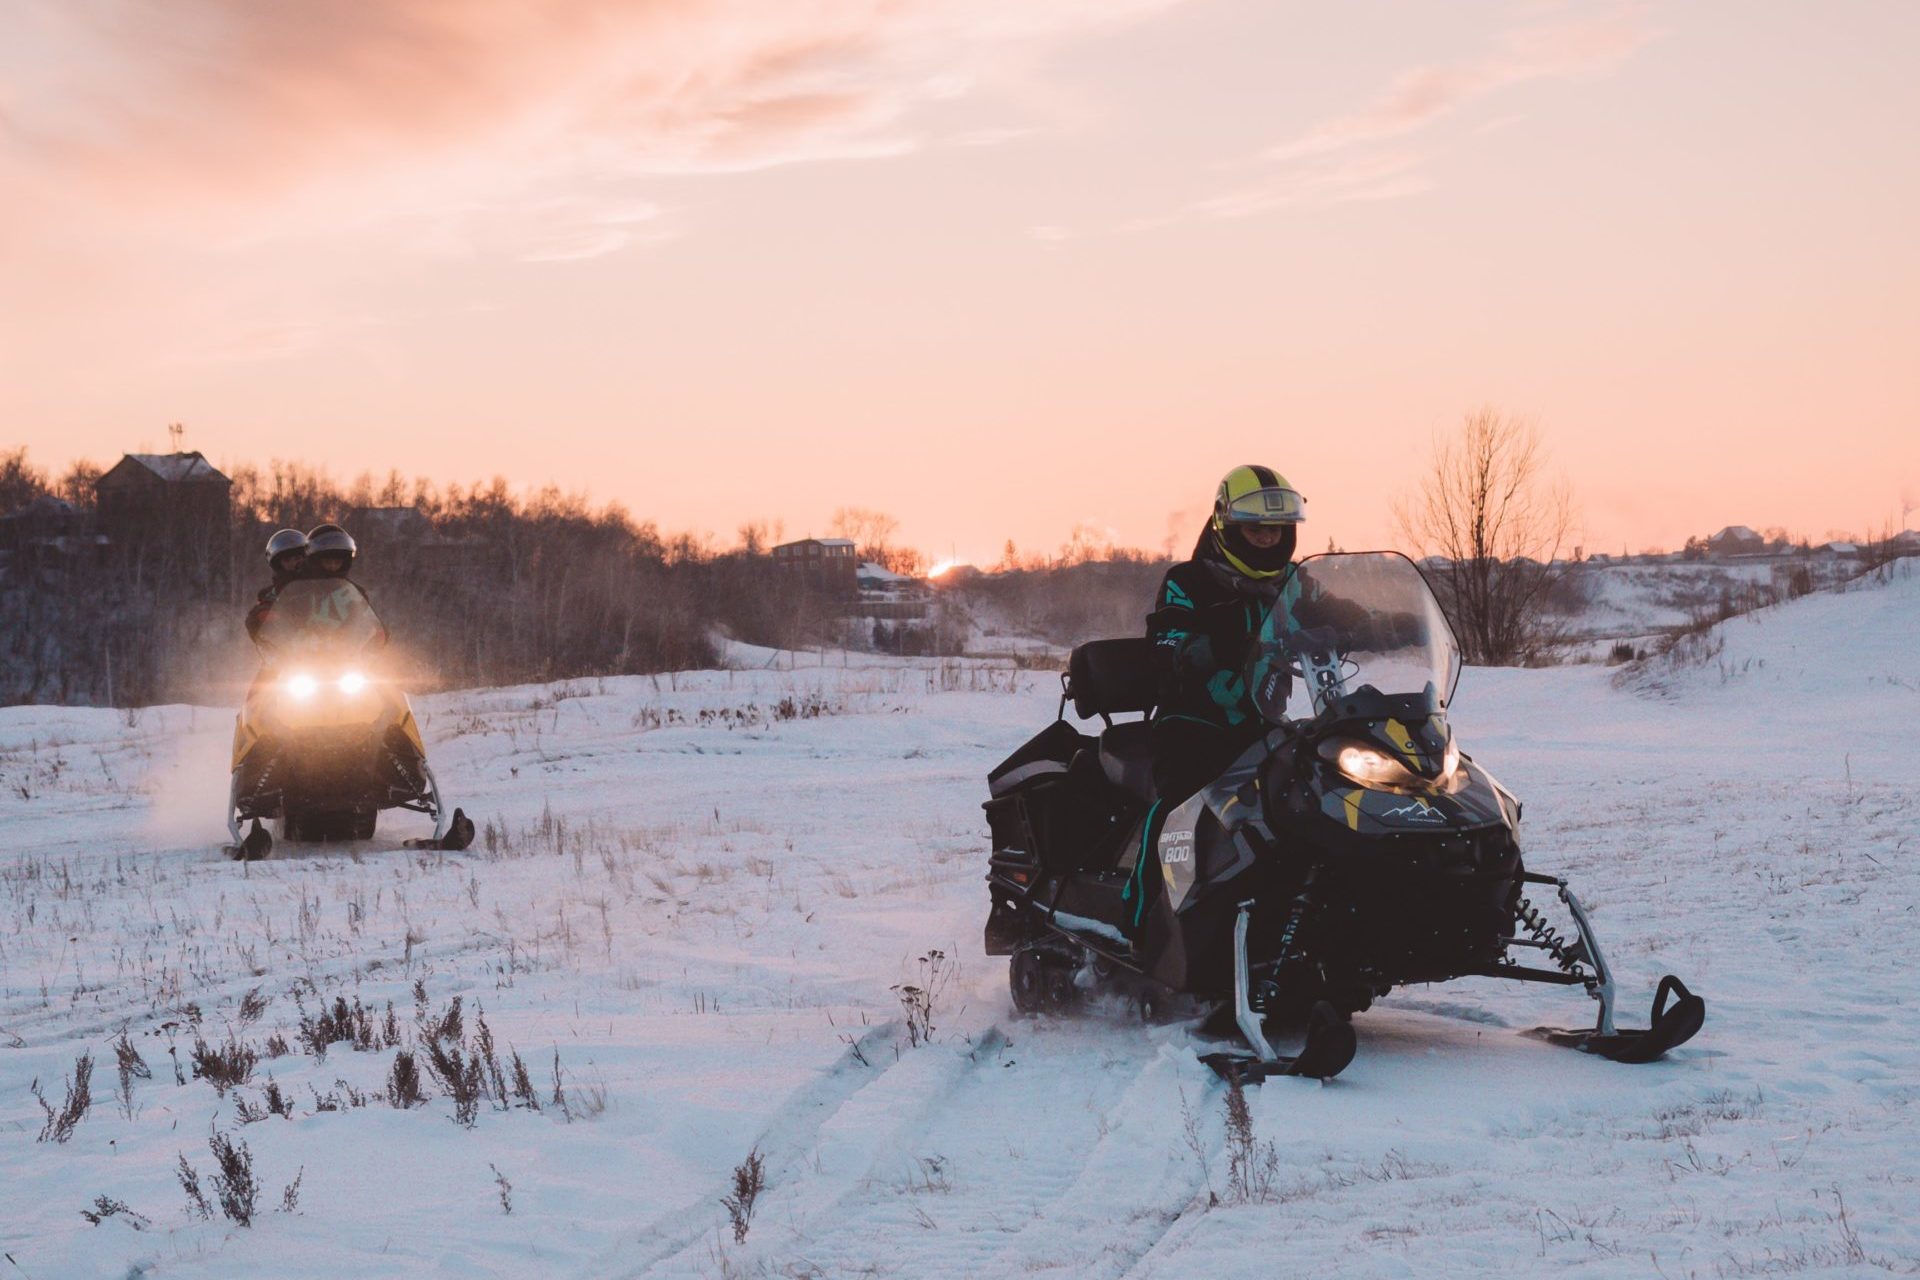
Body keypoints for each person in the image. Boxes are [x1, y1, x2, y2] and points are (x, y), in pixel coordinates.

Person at [1124, 466, 1306, 934]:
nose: (1267, 539)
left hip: (1264, 723)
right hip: (1194, 723)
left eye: (1276, 529)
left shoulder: (1294, 582)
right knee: (1180, 803)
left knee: (1311, 793)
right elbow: (1164, 638)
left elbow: (1338, 612)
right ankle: (1140, 917)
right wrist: (1200, 647)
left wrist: (1386, 623)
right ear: (1228, 525)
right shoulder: (1188, 581)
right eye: (1256, 529)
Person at [244, 529, 309, 643]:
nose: (293, 563)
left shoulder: (321, 585)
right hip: (290, 647)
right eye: (287, 560)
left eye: (297, 558)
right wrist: (260, 618)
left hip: (327, 643)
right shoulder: (272, 593)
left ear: (306, 558)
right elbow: (256, 615)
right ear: (279, 564)